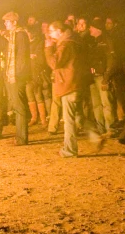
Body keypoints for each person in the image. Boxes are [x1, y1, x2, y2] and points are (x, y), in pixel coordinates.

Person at [44, 21, 104, 157]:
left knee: (69, 119)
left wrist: (48, 49)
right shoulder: (75, 41)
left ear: (59, 31)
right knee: (78, 116)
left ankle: (69, 149)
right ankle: (96, 136)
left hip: (69, 84)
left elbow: (55, 63)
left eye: (52, 31)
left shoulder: (66, 44)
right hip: (78, 83)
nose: (50, 34)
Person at [1, 11, 32, 146]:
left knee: (19, 106)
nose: (5, 23)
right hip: (13, 74)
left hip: (17, 76)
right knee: (18, 105)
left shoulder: (20, 35)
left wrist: (17, 74)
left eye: (7, 21)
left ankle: (21, 138)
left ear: (14, 22)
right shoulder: (14, 35)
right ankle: (19, 136)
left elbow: (22, 57)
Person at [88, 18, 117, 134]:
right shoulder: (92, 41)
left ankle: (110, 127)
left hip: (102, 76)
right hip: (93, 76)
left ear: (97, 29)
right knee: (96, 104)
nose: (89, 29)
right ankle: (100, 128)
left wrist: (107, 77)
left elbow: (112, 59)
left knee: (106, 103)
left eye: (91, 27)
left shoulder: (106, 41)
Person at [26, 22, 49, 127]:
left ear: (32, 33)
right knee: (30, 96)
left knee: (38, 95)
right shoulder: (25, 44)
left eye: (27, 32)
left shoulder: (38, 43)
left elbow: (41, 59)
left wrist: (34, 56)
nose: (26, 34)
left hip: (36, 73)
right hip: (27, 74)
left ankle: (43, 119)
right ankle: (34, 117)